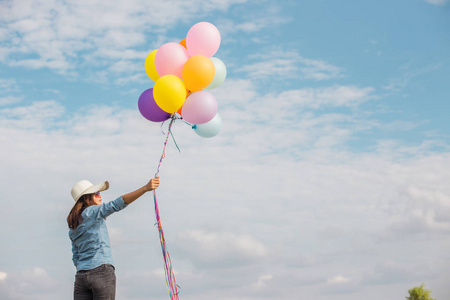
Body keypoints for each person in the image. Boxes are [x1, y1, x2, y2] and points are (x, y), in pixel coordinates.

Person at [67, 176, 160, 300]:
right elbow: (117, 204)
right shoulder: (92, 212)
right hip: (101, 271)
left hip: (81, 277)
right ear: (86, 198)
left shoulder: (74, 224)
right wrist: (145, 188)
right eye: (96, 193)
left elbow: (76, 257)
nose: (100, 195)